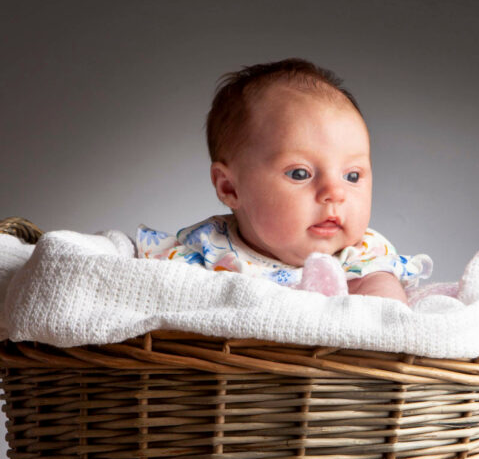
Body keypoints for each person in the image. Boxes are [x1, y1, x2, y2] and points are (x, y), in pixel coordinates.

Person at [137, 58, 432, 302]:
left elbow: (386, 320)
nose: (334, 193)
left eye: (351, 176)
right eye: (300, 173)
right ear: (229, 187)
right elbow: (153, 293)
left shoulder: (363, 261)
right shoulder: (208, 248)